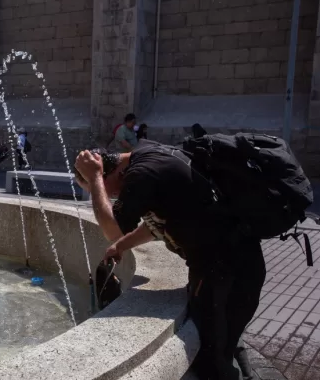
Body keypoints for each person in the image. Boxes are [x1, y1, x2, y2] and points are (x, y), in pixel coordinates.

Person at [74, 142, 265, 380]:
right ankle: (240, 366)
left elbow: (113, 229)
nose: (108, 195)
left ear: (110, 171)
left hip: (221, 265)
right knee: (224, 330)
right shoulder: (148, 155)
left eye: (102, 188)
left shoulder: (141, 174)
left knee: (208, 350)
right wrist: (121, 246)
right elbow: (158, 223)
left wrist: (93, 179)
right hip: (238, 259)